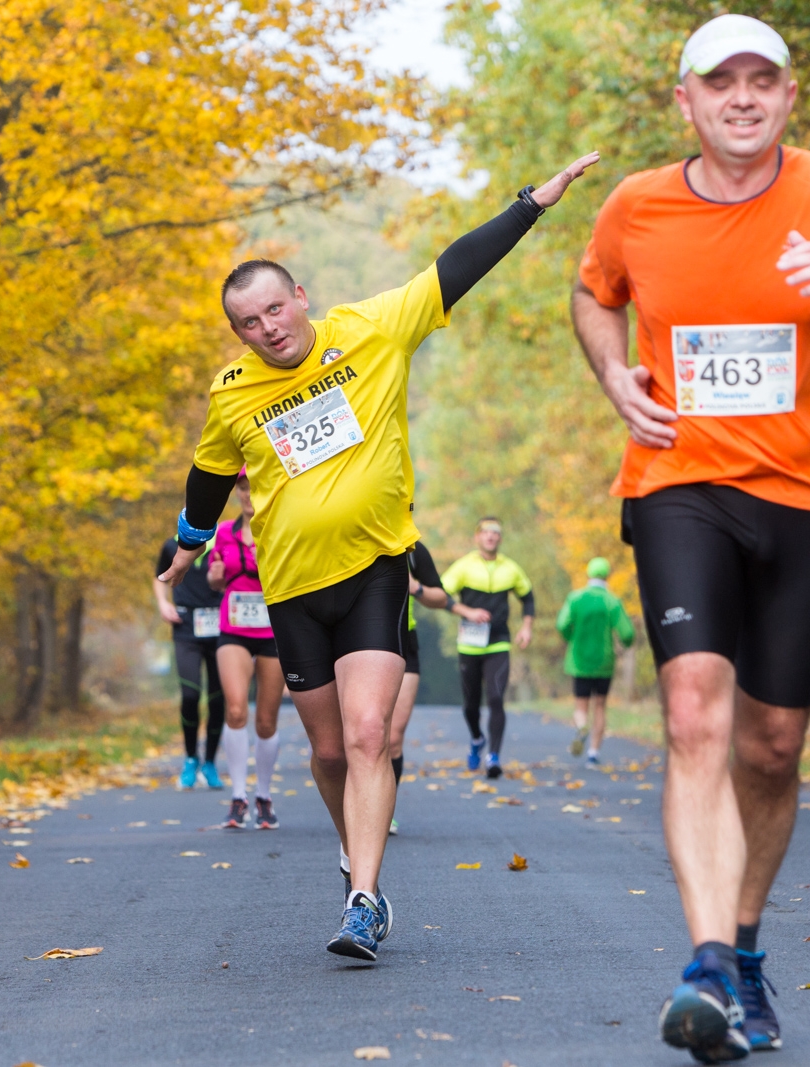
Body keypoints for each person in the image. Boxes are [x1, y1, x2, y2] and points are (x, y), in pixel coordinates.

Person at [570, 14, 810, 1062]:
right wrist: (612, 373)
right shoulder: (634, 203)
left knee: (771, 749)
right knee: (694, 713)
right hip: (679, 481)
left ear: (787, 96)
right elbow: (593, 296)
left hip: (806, 496)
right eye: (718, 81)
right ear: (683, 99)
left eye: (760, 80)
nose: (740, 97)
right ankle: (703, 964)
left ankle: (744, 944)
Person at [158, 151, 599, 962]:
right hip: (291, 588)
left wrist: (531, 203)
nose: (267, 330)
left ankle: (364, 899)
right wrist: (185, 544)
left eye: (273, 310)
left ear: (300, 297)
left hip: (374, 568)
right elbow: (209, 479)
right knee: (328, 751)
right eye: (248, 325)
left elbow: (454, 268)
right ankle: (353, 849)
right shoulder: (234, 392)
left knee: (367, 733)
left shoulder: (372, 328)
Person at [208, 470, 284, 830]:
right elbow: (212, 579)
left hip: (273, 629)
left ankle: (264, 796)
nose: (248, 492)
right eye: (242, 486)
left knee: (266, 720)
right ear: (236, 490)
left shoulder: (282, 524)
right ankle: (238, 797)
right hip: (234, 627)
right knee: (235, 710)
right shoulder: (224, 532)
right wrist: (216, 574)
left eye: (254, 484)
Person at [441, 518, 535, 780]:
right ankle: (476, 737)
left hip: (498, 641)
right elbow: (441, 596)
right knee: (471, 705)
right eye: (486, 532)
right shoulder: (463, 566)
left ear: (500, 539)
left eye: (496, 533)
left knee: (495, 698)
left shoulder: (511, 568)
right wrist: (467, 611)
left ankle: (493, 756)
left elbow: (528, 598)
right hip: (469, 643)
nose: (491, 537)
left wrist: (526, 627)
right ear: (477, 537)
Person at [386, 540, 451, 835]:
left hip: (403, 643)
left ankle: (383, 811)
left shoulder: (412, 548)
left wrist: (417, 588)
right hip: (354, 646)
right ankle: (353, 808)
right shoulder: (351, 533)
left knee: (393, 738)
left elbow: (442, 597)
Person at [152, 538, 226, 791]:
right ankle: (191, 758)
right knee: (190, 694)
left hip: (219, 627)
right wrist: (163, 603)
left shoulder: (223, 542)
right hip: (185, 628)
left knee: (217, 698)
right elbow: (159, 576)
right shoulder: (172, 546)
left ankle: (211, 763)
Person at [555, 556, 635, 766]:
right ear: (607, 575)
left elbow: (562, 624)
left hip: (579, 660)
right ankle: (593, 752)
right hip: (604, 661)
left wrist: (570, 638)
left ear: (588, 574)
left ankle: (582, 726)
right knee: (600, 706)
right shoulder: (611, 601)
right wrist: (625, 645)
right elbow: (627, 633)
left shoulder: (575, 598)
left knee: (581, 705)